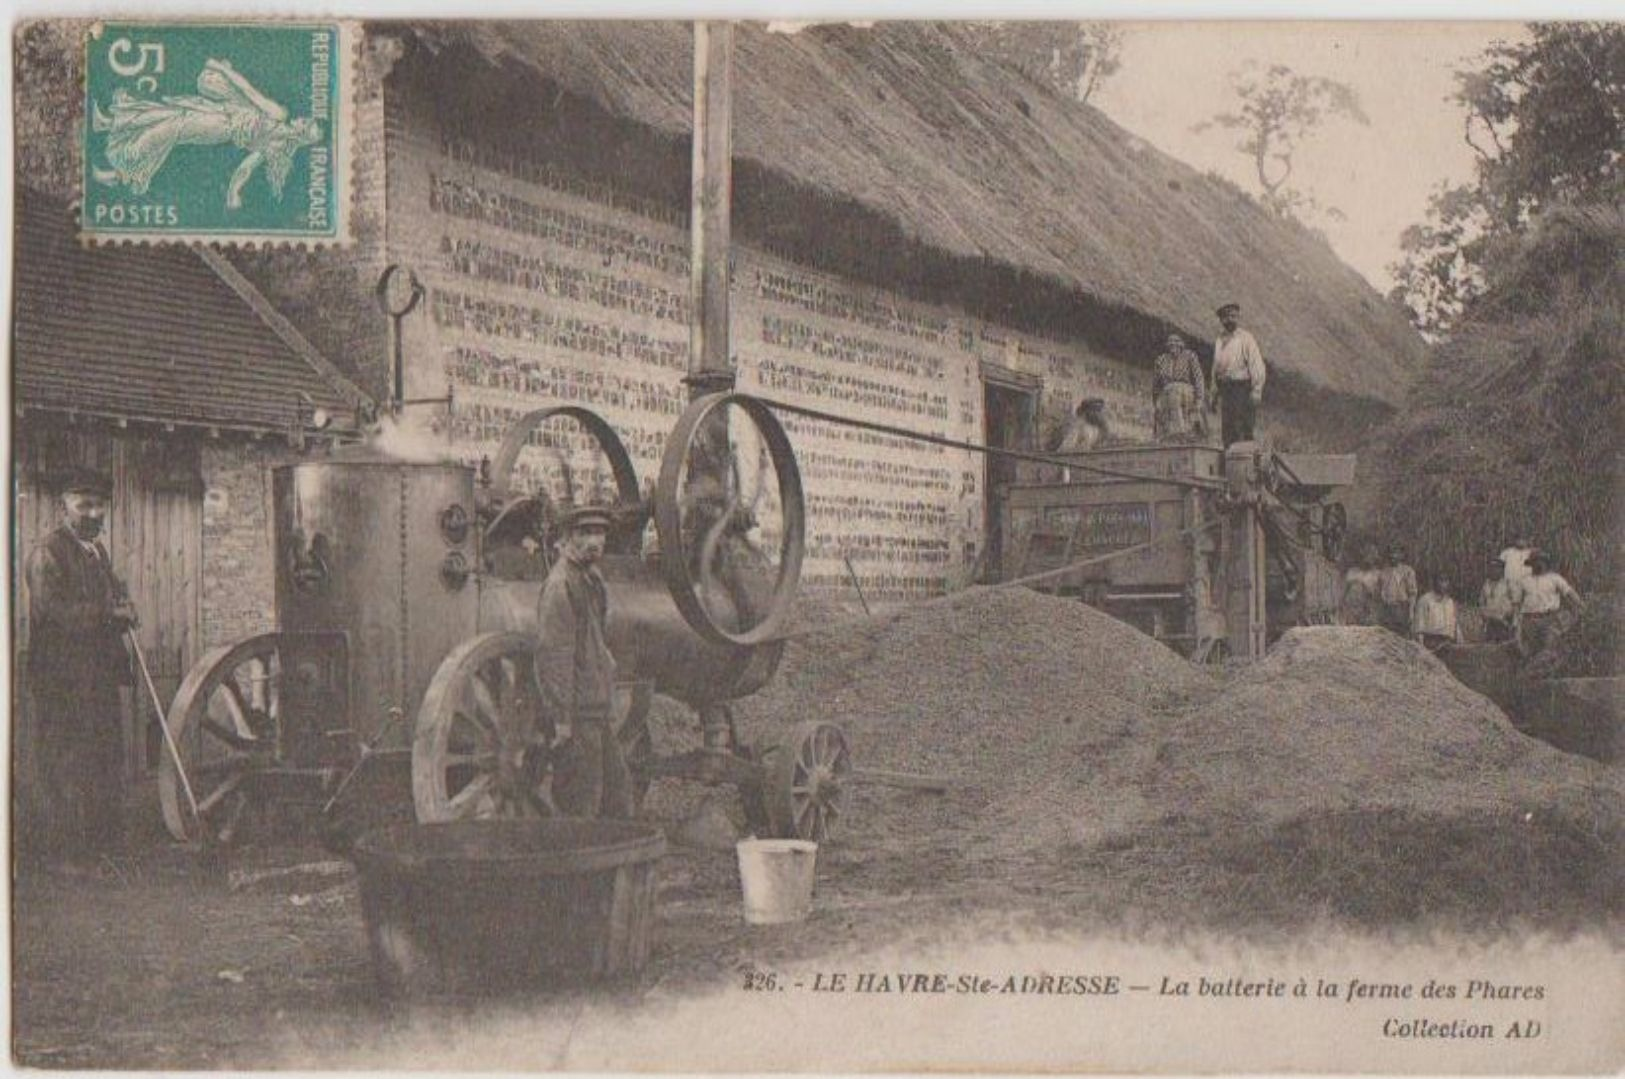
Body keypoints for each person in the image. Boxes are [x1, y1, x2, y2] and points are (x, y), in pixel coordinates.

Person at [22, 468, 138, 866]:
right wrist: (109, 613)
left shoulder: (96, 552)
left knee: (102, 758)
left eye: (99, 505)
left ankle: (100, 847)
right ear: (64, 507)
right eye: (82, 504)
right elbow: (55, 614)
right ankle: (63, 854)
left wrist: (123, 603)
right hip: (62, 679)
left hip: (98, 676)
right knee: (66, 761)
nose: (92, 513)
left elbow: (110, 592)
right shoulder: (47, 554)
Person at [91, 58, 323, 209]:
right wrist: (234, 192)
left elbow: (248, 91)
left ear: (301, 132)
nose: (301, 118)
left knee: (174, 125)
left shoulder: (278, 118)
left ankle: (120, 172)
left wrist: (233, 193)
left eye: (304, 123)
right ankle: (108, 123)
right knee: (171, 113)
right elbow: (246, 167)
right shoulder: (277, 143)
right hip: (221, 111)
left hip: (221, 125)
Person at [535, 501, 632, 819]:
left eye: (600, 533)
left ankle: (609, 867)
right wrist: (562, 720)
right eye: (585, 533)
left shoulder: (592, 580)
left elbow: (597, 644)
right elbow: (555, 657)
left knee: (617, 799)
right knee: (582, 806)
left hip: (597, 711)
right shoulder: (559, 587)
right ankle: (581, 868)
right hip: (577, 717)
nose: (595, 541)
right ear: (565, 538)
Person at [1511, 551, 1585, 678]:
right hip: (1529, 619)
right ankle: (1531, 683)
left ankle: (1532, 675)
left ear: (1546, 563)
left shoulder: (1555, 578)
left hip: (1549, 619)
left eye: (1541, 561)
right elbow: (1517, 604)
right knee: (1530, 651)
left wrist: (1581, 606)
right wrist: (1516, 623)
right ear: (1531, 564)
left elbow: (1570, 594)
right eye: (1535, 562)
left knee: (1549, 649)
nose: (1538, 564)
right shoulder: (1524, 581)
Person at [1208, 303, 1267, 447]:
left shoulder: (1246, 338)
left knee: (1241, 427)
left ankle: (1244, 464)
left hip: (1242, 388)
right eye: (1226, 317)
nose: (1230, 320)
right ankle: (1230, 463)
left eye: (1233, 316)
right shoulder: (1219, 340)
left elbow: (1256, 364)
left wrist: (1257, 390)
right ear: (1221, 320)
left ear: (1238, 318)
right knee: (1227, 429)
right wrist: (1213, 393)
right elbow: (1216, 368)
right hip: (1226, 389)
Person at [1152, 334, 1208, 441]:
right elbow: (1156, 384)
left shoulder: (1190, 356)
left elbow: (1198, 378)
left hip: (1185, 391)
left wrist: (1199, 399)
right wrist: (1155, 401)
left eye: (1175, 344)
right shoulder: (1161, 360)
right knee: (1166, 396)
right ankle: (1165, 435)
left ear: (1181, 345)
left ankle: (1180, 431)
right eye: (1170, 345)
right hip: (1166, 392)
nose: (1173, 347)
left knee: (1174, 392)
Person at [1412, 574, 1462, 652]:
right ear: (1435, 582)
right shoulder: (1425, 600)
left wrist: (1460, 643)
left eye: (1446, 581)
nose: (1443, 584)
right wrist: (1422, 650)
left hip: (1448, 643)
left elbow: (1455, 625)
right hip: (1431, 643)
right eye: (1441, 580)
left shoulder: (1450, 602)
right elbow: (1419, 627)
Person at [1377, 545, 1418, 636]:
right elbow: (1381, 592)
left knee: (1402, 636)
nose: (1393, 556)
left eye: (1396, 553)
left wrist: (1411, 612)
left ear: (1402, 555)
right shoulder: (1383, 572)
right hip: (1388, 609)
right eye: (1391, 553)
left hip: (1402, 607)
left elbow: (1412, 593)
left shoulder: (1408, 571)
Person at [1339, 545, 1383, 626]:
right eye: (1366, 555)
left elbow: (1379, 595)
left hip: (1368, 610)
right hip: (1352, 611)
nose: (1368, 559)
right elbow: (1344, 594)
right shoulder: (1352, 572)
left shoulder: (1377, 574)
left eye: (1371, 556)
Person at [1478, 555, 1516, 642]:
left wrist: (1512, 622)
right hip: (1489, 623)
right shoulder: (1486, 584)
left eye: (1497, 568)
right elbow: (1481, 603)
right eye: (1492, 568)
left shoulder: (1508, 584)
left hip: (1503, 622)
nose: (1494, 570)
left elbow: (1515, 604)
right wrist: (1483, 618)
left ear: (1502, 570)